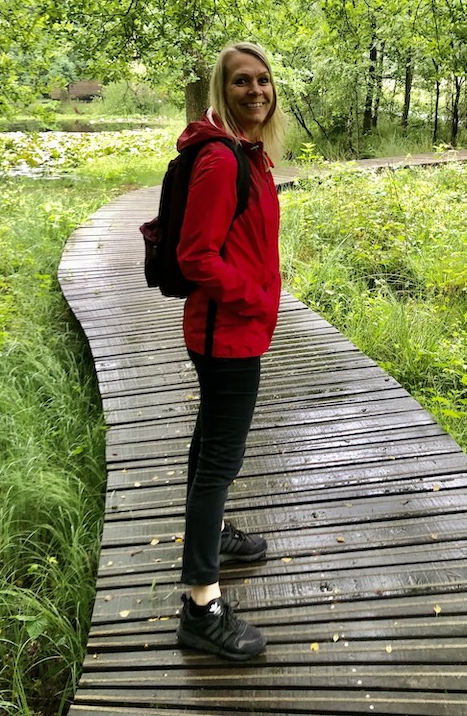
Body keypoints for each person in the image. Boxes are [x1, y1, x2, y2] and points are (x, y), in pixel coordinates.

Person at [175, 42, 286, 661]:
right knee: (221, 459)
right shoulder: (222, 160)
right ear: (224, 89)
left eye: (263, 80)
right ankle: (201, 606)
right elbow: (196, 256)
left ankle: (213, 531)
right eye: (242, 81)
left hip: (233, 329)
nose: (255, 90)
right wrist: (253, 297)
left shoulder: (250, 155)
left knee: (210, 444)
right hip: (227, 334)